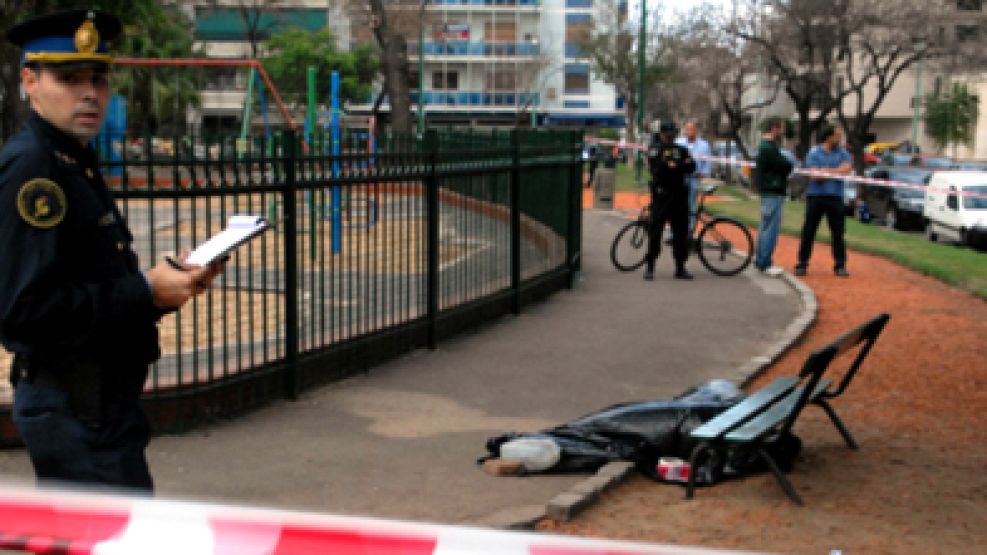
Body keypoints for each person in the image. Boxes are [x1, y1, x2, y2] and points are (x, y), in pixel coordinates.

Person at [0, 9, 222, 493]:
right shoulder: (36, 169)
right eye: (69, 78)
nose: (89, 93)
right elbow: (24, 310)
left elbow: (89, 283)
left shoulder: (72, 157)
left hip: (98, 405)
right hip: (75, 407)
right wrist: (144, 290)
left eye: (99, 80)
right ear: (29, 82)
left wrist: (164, 290)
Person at [795, 124, 852, 277]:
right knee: (809, 231)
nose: (839, 139)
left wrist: (825, 171)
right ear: (828, 137)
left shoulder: (843, 152)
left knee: (838, 233)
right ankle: (802, 263)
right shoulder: (814, 152)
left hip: (836, 197)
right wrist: (835, 171)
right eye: (837, 136)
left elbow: (846, 170)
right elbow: (815, 176)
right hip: (816, 196)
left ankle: (840, 265)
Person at [644, 121, 697, 281]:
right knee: (655, 232)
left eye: (673, 134)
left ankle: (680, 267)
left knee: (681, 234)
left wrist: (676, 165)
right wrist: (674, 165)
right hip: (662, 196)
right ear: (661, 135)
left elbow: (691, 167)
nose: (671, 137)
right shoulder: (655, 149)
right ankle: (650, 266)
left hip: (679, 197)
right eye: (668, 135)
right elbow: (658, 168)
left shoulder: (681, 149)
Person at [753, 117, 794, 277]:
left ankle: (762, 259)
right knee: (770, 228)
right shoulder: (768, 147)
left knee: (765, 226)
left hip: (770, 190)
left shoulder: (767, 147)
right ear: (775, 128)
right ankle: (764, 261)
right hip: (772, 190)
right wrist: (788, 165)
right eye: (781, 127)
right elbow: (783, 165)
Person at [675, 120, 712, 235]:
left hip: (694, 178)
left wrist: (704, 175)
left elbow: (707, 162)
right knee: (677, 205)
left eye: (692, 129)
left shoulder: (704, 145)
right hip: (680, 178)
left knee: (691, 207)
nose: (689, 131)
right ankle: (675, 233)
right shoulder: (679, 142)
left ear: (696, 130)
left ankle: (689, 233)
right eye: (687, 129)